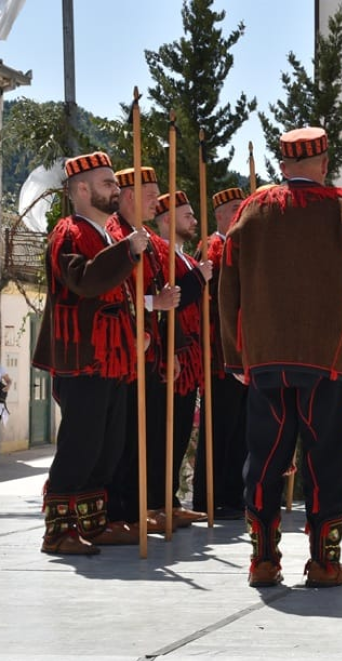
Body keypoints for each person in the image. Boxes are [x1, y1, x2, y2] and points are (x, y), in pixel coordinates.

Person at [219, 126, 342, 588]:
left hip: (265, 361)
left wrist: (237, 358)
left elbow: (227, 287)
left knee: (266, 458)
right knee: (323, 460)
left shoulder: (252, 210)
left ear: (283, 165)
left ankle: (263, 562)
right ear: (323, 163)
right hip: (326, 357)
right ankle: (324, 563)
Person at [31, 150, 150, 555]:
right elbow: (84, 281)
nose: (116, 190)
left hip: (114, 355)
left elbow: (124, 295)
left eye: (115, 183)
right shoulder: (68, 232)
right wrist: (128, 252)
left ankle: (93, 525)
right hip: (83, 356)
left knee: (109, 444)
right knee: (81, 444)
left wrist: (138, 333)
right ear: (81, 189)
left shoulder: (111, 234)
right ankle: (58, 531)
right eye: (107, 183)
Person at [105, 166, 186, 535]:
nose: (157, 201)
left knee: (147, 438)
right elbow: (117, 292)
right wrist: (155, 302)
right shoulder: (115, 234)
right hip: (124, 353)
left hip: (150, 353)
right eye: (151, 195)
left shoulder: (146, 236)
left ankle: (143, 508)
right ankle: (120, 513)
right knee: (124, 440)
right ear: (130, 196)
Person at [151, 190, 212, 526]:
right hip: (170, 357)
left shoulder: (187, 258)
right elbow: (173, 300)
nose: (194, 221)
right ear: (167, 220)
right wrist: (198, 279)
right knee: (164, 432)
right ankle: (156, 502)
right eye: (187, 215)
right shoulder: (160, 253)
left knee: (179, 434)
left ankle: (171, 499)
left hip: (190, 359)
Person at [193, 186, 249, 520]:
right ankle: (206, 498)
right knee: (219, 430)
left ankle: (231, 495)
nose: (239, 215)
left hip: (242, 353)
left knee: (239, 430)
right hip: (219, 354)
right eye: (234, 210)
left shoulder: (241, 246)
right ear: (220, 215)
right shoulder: (213, 247)